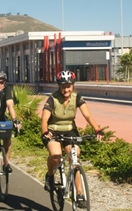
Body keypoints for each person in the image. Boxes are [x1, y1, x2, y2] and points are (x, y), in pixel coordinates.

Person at [41, 70, 103, 206]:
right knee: (56, 154)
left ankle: (79, 193)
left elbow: (88, 116)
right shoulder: (53, 98)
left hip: (70, 131)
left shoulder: (77, 97)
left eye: (68, 86)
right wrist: (45, 131)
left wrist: (97, 129)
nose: (66, 89)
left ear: (73, 86)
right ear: (59, 86)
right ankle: (50, 175)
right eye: (63, 86)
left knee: (75, 159)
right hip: (53, 131)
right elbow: (45, 118)